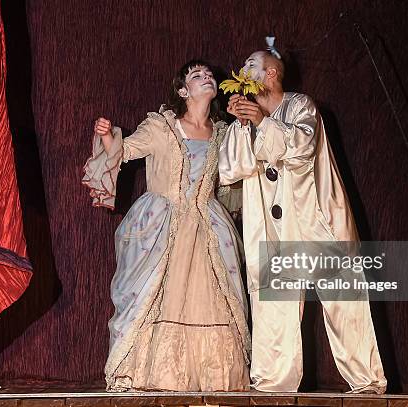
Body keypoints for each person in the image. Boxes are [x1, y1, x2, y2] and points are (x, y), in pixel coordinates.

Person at [218, 46, 387, 393]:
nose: (241, 68)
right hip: (272, 229)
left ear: (270, 74)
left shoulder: (301, 106)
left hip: (316, 221)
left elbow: (301, 148)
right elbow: (230, 168)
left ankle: (368, 383)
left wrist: (262, 122)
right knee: (273, 305)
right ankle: (271, 386)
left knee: (344, 303)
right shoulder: (247, 120)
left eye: (250, 63)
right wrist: (242, 124)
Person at [82, 60, 250, 392]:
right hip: (162, 222)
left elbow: (238, 174)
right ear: (182, 90)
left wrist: (245, 123)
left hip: (206, 226)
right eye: (196, 75)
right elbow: (125, 150)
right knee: (152, 294)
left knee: (212, 297)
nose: (207, 78)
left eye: (210, 75)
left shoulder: (224, 133)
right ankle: (153, 375)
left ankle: (213, 378)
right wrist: (107, 136)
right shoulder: (162, 127)